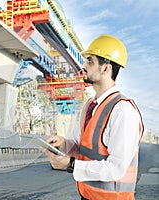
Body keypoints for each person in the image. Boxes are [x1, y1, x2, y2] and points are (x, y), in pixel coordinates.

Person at [44, 34, 144, 200]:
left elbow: (116, 168)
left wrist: (70, 165)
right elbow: (79, 145)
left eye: (90, 61)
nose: (83, 65)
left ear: (105, 68)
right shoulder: (90, 106)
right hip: (87, 196)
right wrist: (63, 144)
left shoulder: (123, 111)